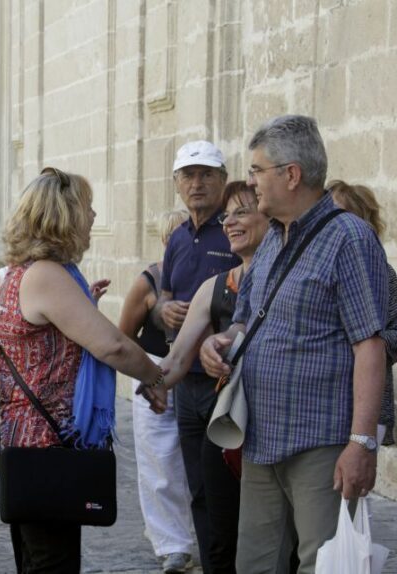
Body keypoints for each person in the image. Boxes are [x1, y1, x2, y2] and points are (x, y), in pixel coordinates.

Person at [199, 115, 388, 573]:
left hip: (320, 444)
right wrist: (222, 341)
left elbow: (370, 346)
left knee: (322, 563)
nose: (250, 181)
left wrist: (361, 443)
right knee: (257, 565)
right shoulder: (271, 240)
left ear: (291, 174)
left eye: (258, 169)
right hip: (261, 439)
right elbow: (245, 320)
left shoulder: (348, 238)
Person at [0, 167, 164, 573]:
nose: (94, 216)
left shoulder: (21, 272)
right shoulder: (46, 275)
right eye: (87, 207)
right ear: (63, 216)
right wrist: (155, 377)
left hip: (24, 437)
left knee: (37, 559)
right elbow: (113, 345)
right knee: (53, 562)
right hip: (41, 441)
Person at [145, 183, 270, 573]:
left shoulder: (284, 278)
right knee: (219, 526)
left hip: (272, 423)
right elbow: (177, 357)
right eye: (226, 216)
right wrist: (145, 377)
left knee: (269, 534)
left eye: (241, 213)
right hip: (226, 420)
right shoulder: (215, 286)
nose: (229, 223)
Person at [149, 140, 240, 573]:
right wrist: (160, 308)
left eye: (206, 174)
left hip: (227, 379)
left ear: (223, 180)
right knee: (199, 487)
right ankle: (212, 562)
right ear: (176, 184)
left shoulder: (236, 230)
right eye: (188, 175)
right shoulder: (179, 238)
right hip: (186, 383)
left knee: (231, 486)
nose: (197, 183)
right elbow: (162, 296)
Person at [117, 209, 194, 574]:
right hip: (154, 371)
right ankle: (172, 545)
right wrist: (146, 375)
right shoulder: (148, 281)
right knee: (158, 462)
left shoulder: (210, 275)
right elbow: (123, 335)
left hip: (200, 376)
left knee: (200, 462)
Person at [329, 180, 396, 446]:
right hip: (323, 407)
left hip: (369, 409)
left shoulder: (384, 273)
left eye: (338, 214)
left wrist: (364, 345)